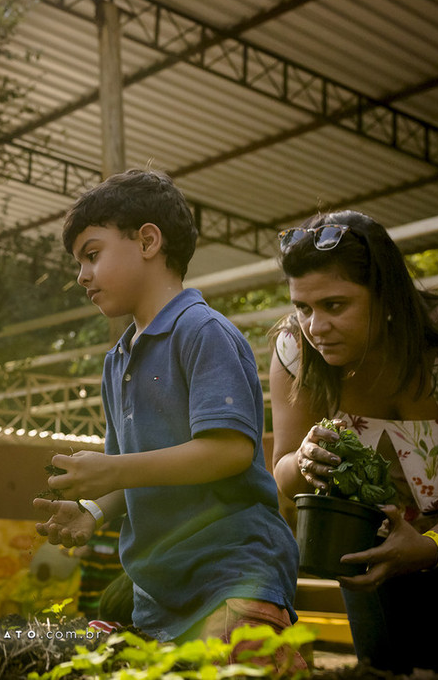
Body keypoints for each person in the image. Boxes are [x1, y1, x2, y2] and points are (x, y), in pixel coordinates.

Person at [33, 169, 302, 661]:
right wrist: (94, 510)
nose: (82, 276)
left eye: (92, 254)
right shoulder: (116, 361)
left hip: (233, 575)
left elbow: (230, 450)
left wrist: (113, 470)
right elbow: (135, 472)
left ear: (147, 241)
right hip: (158, 593)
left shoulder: (202, 332)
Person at [269, 209, 438, 680]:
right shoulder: (297, 351)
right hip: (380, 540)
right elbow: (284, 474)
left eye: (335, 305)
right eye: (303, 307)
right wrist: (304, 461)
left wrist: (430, 547)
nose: (315, 326)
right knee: (383, 671)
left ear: (387, 295)